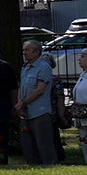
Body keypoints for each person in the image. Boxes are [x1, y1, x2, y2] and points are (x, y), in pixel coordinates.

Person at [16, 38, 59, 167]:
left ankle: (50, 166)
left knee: (44, 143)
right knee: (27, 144)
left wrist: (23, 103)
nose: (24, 53)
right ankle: (33, 166)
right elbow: (22, 87)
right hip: (26, 112)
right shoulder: (25, 67)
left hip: (39, 112)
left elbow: (40, 90)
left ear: (36, 52)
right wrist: (20, 104)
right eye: (23, 50)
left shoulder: (43, 67)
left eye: (27, 50)